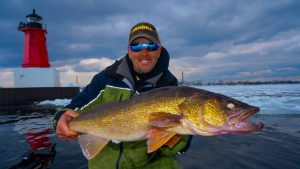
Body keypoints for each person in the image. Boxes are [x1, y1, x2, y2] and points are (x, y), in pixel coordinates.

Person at [53, 22, 192, 169]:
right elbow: (74, 107)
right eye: (136, 47)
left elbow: (178, 149)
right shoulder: (106, 78)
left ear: (159, 51)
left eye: (151, 46)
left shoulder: (170, 89)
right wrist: (59, 119)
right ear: (129, 51)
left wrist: (174, 135)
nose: (144, 53)